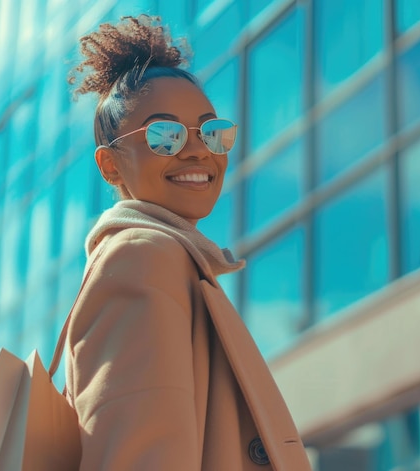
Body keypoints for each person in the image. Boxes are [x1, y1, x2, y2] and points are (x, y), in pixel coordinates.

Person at [66, 15, 312, 470]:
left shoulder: (173, 261)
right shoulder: (141, 257)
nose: (198, 150)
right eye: (164, 135)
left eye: (210, 131)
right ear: (110, 165)